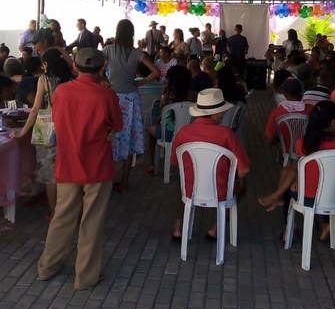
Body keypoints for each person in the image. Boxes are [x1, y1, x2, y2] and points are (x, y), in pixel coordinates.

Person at [36, 48, 123, 291]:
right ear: (101, 67)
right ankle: (85, 277)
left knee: (62, 217)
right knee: (92, 221)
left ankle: (47, 267)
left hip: (68, 163)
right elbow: (117, 124)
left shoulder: (62, 91)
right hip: (97, 165)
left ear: (75, 66)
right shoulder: (107, 96)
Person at [170, 88, 251, 240]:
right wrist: (237, 177)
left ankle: (178, 227)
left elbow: (174, 162)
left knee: (182, 184)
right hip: (220, 189)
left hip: (190, 189)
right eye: (222, 111)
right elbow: (244, 168)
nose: (224, 114)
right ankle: (215, 228)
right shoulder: (227, 134)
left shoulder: (183, 132)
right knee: (242, 188)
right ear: (214, 113)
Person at [257, 100, 335, 214]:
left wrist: (297, 182)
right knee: (292, 170)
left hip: (308, 197)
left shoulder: (303, 143)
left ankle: (281, 205)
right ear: (333, 123)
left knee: (293, 171)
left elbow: (306, 169)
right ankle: (277, 198)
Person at [11, 48, 74, 219]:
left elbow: (35, 109)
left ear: (46, 64)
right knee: (66, 171)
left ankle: (54, 211)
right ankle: (69, 207)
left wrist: (22, 132)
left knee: (50, 173)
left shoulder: (44, 80)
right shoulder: (71, 79)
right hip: (69, 127)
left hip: (47, 128)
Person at [102, 19, 160, 194]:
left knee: (109, 140)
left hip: (113, 98)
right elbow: (156, 72)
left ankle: (106, 183)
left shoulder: (108, 50)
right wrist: (141, 82)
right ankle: (125, 184)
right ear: (132, 34)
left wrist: (105, 82)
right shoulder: (137, 53)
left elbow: (98, 70)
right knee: (128, 141)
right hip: (132, 99)